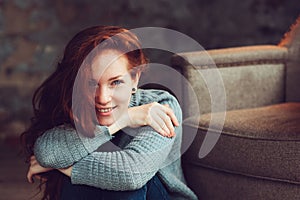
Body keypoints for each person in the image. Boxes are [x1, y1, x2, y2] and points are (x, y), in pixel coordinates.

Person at [21, 26, 198, 200]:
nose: (103, 98)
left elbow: (131, 175)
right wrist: (124, 119)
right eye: (92, 84)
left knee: (125, 186)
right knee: (94, 182)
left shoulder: (160, 107)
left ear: (134, 78)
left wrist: (65, 168)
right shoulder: (79, 104)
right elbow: (46, 153)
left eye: (115, 82)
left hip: (158, 195)